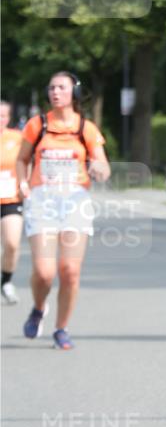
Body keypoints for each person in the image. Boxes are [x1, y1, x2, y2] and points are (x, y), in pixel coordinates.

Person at [15, 72, 110, 350]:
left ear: (74, 93)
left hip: (75, 202)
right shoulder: (38, 125)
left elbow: (103, 164)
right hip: (42, 200)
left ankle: (61, 328)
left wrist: (99, 168)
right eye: (52, 88)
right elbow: (21, 159)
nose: (55, 92)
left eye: (62, 87)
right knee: (45, 273)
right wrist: (22, 182)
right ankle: (38, 307)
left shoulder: (85, 128)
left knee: (69, 271)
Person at [0, 101, 24, 305]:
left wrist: (26, 183)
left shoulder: (17, 138)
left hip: (10, 198)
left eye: (3, 116)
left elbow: (27, 161)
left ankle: (6, 282)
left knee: (12, 243)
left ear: (8, 118)